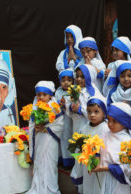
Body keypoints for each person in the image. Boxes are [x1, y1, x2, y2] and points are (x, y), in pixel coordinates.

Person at [66, 64, 102, 193]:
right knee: (79, 155)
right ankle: (81, 188)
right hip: (77, 127)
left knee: (89, 156)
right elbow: (69, 111)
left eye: (83, 76)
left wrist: (81, 110)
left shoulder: (95, 93)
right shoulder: (74, 90)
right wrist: (70, 108)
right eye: (78, 76)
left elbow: (99, 114)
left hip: (89, 129)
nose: (79, 79)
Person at [27, 81, 64, 194]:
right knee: (39, 161)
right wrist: (36, 127)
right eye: (39, 94)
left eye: (44, 94)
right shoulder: (35, 107)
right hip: (39, 138)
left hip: (50, 139)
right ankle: (38, 187)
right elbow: (32, 125)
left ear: (50, 95)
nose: (41, 97)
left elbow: (59, 124)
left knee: (49, 163)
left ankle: (50, 188)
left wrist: (46, 129)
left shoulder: (55, 107)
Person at [92, 102, 131, 194]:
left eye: (114, 121)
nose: (110, 124)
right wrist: (95, 160)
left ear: (124, 122)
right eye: (108, 120)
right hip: (102, 177)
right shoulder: (105, 134)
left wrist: (107, 168)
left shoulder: (128, 142)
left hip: (117, 183)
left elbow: (128, 168)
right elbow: (98, 149)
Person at [80, 95, 110, 194]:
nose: (92, 115)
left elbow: (106, 145)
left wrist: (97, 155)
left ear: (104, 113)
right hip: (87, 161)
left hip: (100, 163)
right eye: (89, 111)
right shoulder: (85, 128)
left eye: (96, 112)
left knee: (98, 185)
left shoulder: (105, 128)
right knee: (88, 183)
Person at [55, 69, 74, 168]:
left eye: (69, 80)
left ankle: (70, 160)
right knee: (62, 138)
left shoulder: (74, 91)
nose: (66, 83)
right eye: (63, 80)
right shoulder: (58, 91)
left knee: (69, 137)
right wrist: (59, 103)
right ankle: (63, 159)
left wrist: (66, 104)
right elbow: (54, 104)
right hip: (61, 119)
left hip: (70, 119)